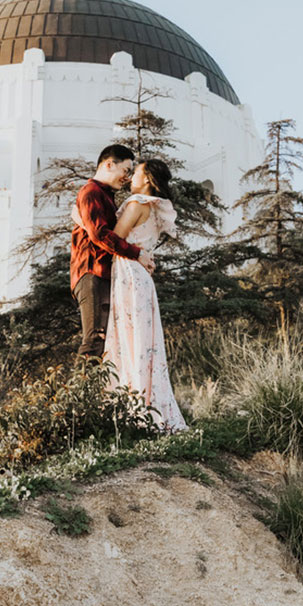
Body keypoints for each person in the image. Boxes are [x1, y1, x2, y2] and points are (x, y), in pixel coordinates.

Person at [73, 158, 187, 433]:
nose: (131, 176)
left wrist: (79, 218)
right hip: (141, 277)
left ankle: (131, 409)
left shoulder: (136, 204)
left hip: (128, 274)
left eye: (135, 172)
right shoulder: (152, 208)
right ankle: (145, 405)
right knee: (142, 342)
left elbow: (112, 238)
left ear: (147, 179)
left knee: (127, 338)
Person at [71, 144, 155, 358]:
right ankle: (83, 392)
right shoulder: (92, 192)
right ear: (109, 164)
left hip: (101, 274)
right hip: (93, 273)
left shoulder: (104, 195)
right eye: (125, 170)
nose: (127, 177)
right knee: (94, 342)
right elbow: (99, 234)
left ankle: (96, 391)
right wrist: (137, 254)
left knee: (105, 343)